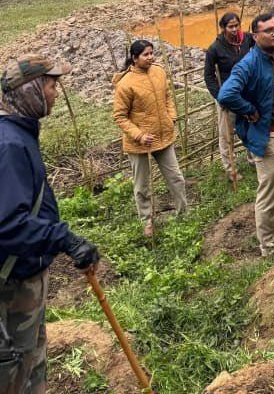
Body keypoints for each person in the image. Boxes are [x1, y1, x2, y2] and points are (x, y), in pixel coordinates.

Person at [0, 56, 100, 394]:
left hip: (24, 273)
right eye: (51, 85)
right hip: (12, 283)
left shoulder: (18, 133)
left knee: (32, 359)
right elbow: (7, 225)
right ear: (30, 92)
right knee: (14, 365)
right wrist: (64, 239)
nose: (56, 92)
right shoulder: (9, 145)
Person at [218, 12, 274, 256]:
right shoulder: (248, 64)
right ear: (255, 36)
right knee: (269, 195)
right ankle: (268, 247)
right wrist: (248, 110)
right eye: (269, 30)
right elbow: (226, 94)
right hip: (270, 138)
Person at [112, 39, 187, 237]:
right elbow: (119, 116)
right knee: (142, 186)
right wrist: (139, 135)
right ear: (134, 58)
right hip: (140, 143)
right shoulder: (126, 84)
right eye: (145, 54)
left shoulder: (159, 71)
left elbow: (167, 96)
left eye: (151, 53)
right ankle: (147, 222)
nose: (150, 57)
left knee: (176, 178)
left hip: (163, 136)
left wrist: (171, 116)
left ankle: (184, 214)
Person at [203, 12, 253, 182]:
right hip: (228, 96)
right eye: (230, 27)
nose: (234, 29)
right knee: (227, 134)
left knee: (251, 126)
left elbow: (261, 45)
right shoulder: (215, 48)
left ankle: (253, 159)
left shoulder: (247, 39)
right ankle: (231, 169)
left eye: (236, 25)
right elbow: (209, 76)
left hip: (247, 93)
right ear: (223, 28)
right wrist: (219, 96)